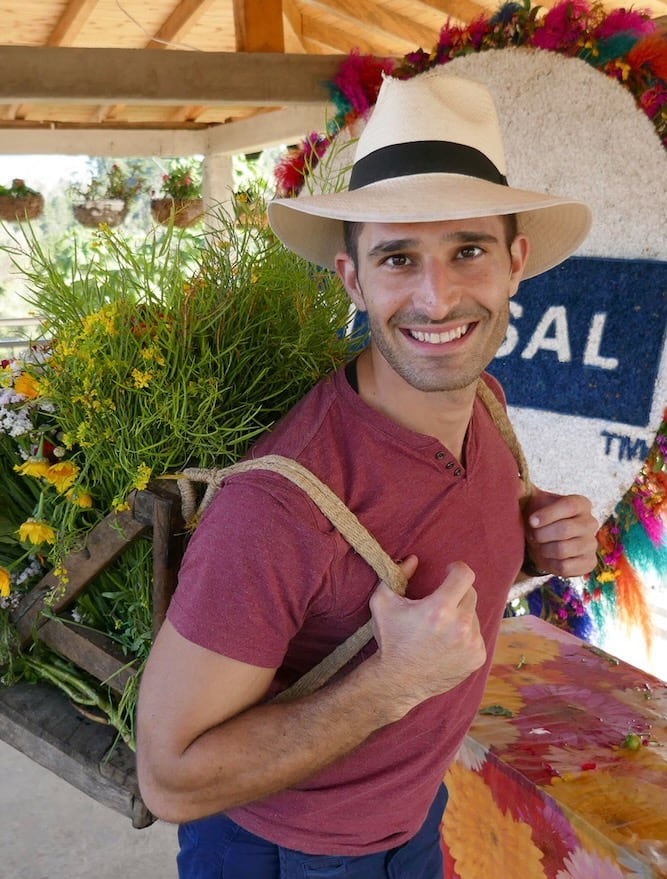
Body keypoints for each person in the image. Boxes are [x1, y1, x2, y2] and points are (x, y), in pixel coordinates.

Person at [136, 72, 599, 879]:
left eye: (468, 251)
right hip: (289, 853)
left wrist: (536, 537)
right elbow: (169, 776)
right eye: (397, 257)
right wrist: (392, 683)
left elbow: (443, 526)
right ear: (352, 279)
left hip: (414, 814)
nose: (437, 295)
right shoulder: (278, 506)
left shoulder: (482, 406)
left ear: (515, 261)